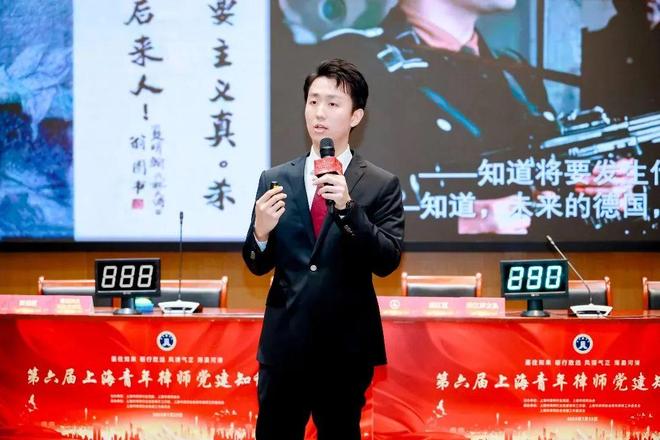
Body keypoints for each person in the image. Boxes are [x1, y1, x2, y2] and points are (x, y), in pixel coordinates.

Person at [242, 58, 404, 439]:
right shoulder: (275, 178)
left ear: (356, 116)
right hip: (284, 346)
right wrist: (260, 233)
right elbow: (256, 264)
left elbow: (387, 259)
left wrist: (348, 209)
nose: (319, 112)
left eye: (333, 103)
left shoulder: (380, 184)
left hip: (345, 348)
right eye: (313, 101)